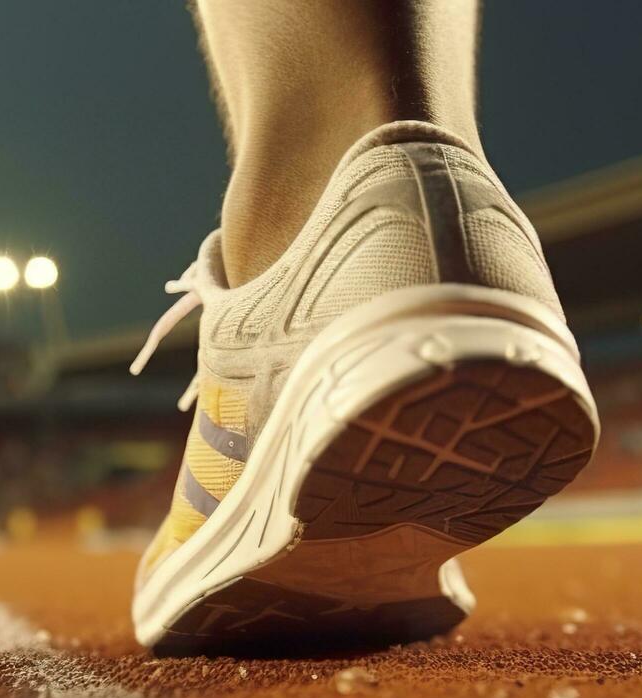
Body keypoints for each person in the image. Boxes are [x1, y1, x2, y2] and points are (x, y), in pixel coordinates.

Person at [129, 0, 599, 651]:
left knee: (308, 174)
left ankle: (293, 254)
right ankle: (446, 188)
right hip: (483, 242)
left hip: (333, 277)